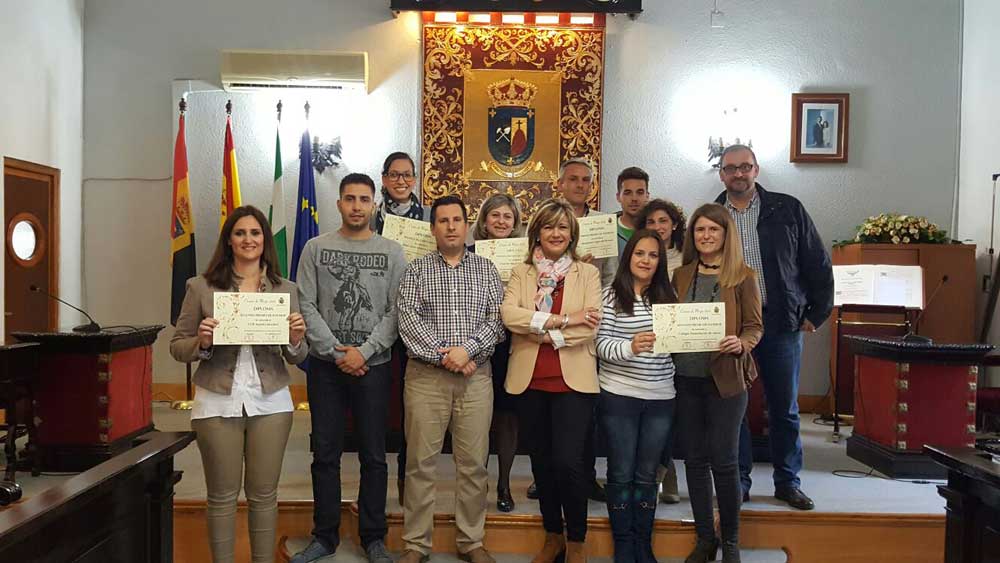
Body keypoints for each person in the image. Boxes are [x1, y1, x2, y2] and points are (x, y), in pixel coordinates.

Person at [170, 205, 308, 563]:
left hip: (271, 400)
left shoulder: (285, 289)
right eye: (240, 233)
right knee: (221, 496)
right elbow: (178, 347)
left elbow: (297, 355)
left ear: (265, 240)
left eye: (255, 233)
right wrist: (202, 341)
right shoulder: (200, 287)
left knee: (264, 495)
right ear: (229, 240)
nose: (248, 239)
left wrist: (295, 339)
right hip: (217, 400)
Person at [291, 174, 406, 563]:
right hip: (326, 369)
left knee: (374, 454)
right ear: (339, 203)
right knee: (325, 453)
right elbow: (306, 303)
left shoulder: (392, 252)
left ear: (375, 204)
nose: (357, 206)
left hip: (374, 367)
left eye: (364, 199)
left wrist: (365, 352)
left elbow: (396, 310)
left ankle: (373, 536)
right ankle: (324, 536)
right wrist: (337, 352)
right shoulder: (315, 248)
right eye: (350, 199)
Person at [714, 144, 833, 511]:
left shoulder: (787, 208)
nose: (738, 173)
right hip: (733, 326)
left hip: (781, 322)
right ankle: (739, 482)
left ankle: (788, 482)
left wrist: (817, 312)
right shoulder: (713, 215)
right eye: (731, 168)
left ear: (756, 169)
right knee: (735, 408)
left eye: (745, 166)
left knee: (784, 408)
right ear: (721, 174)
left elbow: (817, 261)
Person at [396, 196, 506, 563]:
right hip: (425, 380)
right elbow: (408, 322)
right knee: (420, 464)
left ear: (467, 225)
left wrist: (467, 351)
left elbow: (497, 321)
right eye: (443, 221)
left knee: (474, 464)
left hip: (476, 381)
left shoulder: (486, 269)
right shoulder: (416, 270)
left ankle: (471, 540)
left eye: (457, 219)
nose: (451, 226)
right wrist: (448, 356)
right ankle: (416, 544)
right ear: (433, 228)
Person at [501, 198, 602, 563]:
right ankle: (553, 536)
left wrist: (539, 331)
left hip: (573, 383)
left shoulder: (587, 273)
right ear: (537, 233)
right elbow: (509, 315)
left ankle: (577, 540)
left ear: (571, 233)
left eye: (562, 227)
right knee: (541, 464)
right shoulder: (521, 272)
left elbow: (590, 327)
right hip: (529, 381)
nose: (556, 233)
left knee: (569, 464)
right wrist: (561, 320)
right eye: (548, 226)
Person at [673, 203, 763, 563]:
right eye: (700, 230)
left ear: (726, 235)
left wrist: (742, 343)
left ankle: (731, 541)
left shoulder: (743, 276)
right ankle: (704, 538)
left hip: (725, 381)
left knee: (725, 462)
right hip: (686, 379)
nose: (706, 235)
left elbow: (754, 326)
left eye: (713, 229)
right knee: (694, 462)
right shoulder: (681, 275)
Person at [596, 229, 678, 563]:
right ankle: (624, 544)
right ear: (628, 256)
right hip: (619, 394)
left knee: (647, 474)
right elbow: (600, 346)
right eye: (640, 253)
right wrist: (630, 346)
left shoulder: (670, 297)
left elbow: (680, 346)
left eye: (653, 255)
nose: (646, 260)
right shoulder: (609, 295)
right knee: (620, 472)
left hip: (661, 395)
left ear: (661, 262)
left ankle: (643, 543)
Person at [550, 157, 614, 505]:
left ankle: (586, 476)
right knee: (549, 410)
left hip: (589, 325)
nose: (579, 185)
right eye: (572, 179)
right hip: (550, 324)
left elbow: (612, 277)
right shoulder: (546, 220)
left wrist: (588, 279)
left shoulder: (603, 225)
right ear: (559, 184)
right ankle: (546, 477)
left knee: (584, 409)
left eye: (585, 180)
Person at [370, 151, 428, 503]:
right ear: (384, 178)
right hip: (379, 313)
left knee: (411, 408)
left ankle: (407, 480)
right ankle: (375, 482)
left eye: (407, 175)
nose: (401, 181)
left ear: (415, 178)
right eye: (394, 175)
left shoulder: (430, 218)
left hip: (418, 317)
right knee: (379, 402)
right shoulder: (371, 217)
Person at [471, 193, 526, 513]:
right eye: (495, 215)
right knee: (475, 418)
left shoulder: (527, 259)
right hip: (475, 343)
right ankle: (475, 485)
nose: (501, 221)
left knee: (507, 417)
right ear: (484, 220)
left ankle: (504, 483)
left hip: (512, 344)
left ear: (515, 222)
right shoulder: (468, 253)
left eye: (507, 216)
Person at [635, 198, 687, 503]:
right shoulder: (638, 256)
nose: (657, 227)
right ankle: (658, 474)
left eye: (663, 221)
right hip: (643, 342)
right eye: (651, 222)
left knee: (669, 416)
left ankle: (664, 472)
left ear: (675, 225)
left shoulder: (687, 257)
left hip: (676, 343)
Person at [614, 167, 651, 256]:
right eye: (628, 193)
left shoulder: (654, 229)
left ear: (647, 196)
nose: (634, 198)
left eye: (640, 192)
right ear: (618, 197)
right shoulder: (605, 229)